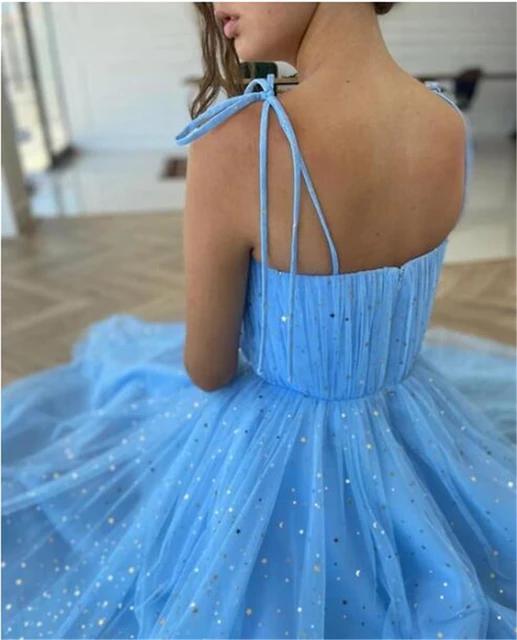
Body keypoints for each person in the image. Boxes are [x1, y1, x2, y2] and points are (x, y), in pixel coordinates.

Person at [2, 3, 516, 639]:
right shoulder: (446, 122)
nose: (216, 6)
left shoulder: (242, 142)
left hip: (281, 460)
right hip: (413, 424)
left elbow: (209, 369)